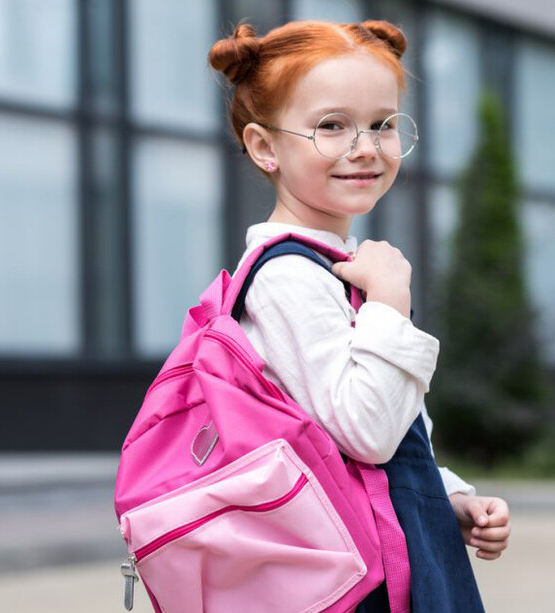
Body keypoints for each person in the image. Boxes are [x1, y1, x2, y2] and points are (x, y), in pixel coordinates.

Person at [207, 19, 511, 612]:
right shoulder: (287, 276)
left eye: (382, 124)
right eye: (331, 126)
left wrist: (446, 497)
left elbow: (365, 444)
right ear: (264, 146)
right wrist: (390, 302)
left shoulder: (330, 266)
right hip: (364, 582)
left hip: (388, 548)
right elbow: (365, 433)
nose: (366, 147)